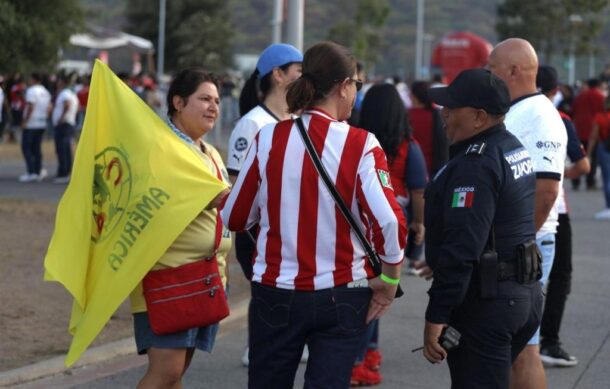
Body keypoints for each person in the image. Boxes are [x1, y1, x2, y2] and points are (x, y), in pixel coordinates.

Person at [221, 41, 406, 389]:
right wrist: (389, 281)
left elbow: (234, 217)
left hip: (276, 290)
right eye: (356, 85)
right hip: (343, 293)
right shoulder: (362, 144)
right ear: (342, 87)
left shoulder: (268, 138)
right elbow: (390, 221)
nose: (355, 94)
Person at [422, 68, 542, 389]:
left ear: (479, 117)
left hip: (489, 303)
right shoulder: (510, 145)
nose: (444, 114)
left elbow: (464, 245)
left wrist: (437, 314)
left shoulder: (475, 165)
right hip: (521, 293)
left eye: (451, 108)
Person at [128, 68, 231, 389]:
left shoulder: (208, 150)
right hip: (170, 279)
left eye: (216, 100)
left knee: (176, 375)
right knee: (165, 373)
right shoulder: (164, 148)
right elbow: (219, 197)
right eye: (203, 99)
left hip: (206, 278)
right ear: (178, 102)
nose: (213, 106)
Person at [488, 38, 567, 389]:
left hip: (527, 245)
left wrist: (520, 243)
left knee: (523, 348)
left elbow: (546, 190)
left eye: (491, 69)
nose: (488, 76)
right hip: (521, 242)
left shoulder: (540, 115)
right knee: (515, 347)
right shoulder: (520, 110)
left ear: (513, 71)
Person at [225, 43, 303, 366]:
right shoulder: (252, 123)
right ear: (279, 75)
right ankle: (256, 347)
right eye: (299, 71)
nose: (304, 77)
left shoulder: (298, 119)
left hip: (290, 227)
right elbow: (236, 184)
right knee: (266, 292)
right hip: (258, 229)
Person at [354, 83, 428, 386]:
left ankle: (365, 353)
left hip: (360, 223)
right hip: (393, 225)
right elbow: (418, 190)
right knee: (382, 288)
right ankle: (364, 356)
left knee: (366, 291)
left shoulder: (355, 142)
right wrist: (419, 224)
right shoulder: (408, 146)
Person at [537, 65, 590, 367]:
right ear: (556, 91)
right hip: (555, 210)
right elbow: (582, 167)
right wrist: (556, 175)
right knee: (559, 277)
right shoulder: (561, 120)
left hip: (511, 207)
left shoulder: (506, 115)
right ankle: (549, 341)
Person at [409, 80, 449, 176]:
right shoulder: (438, 115)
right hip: (433, 170)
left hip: (411, 169)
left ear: (414, 96)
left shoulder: (406, 115)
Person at [571, 78, 606, 190]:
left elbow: (573, 110)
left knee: (577, 156)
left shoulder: (580, 96)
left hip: (579, 129)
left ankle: (575, 180)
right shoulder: (600, 96)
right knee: (592, 157)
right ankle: (590, 181)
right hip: (593, 130)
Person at [19, 72, 52, 182]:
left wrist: (25, 120)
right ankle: (38, 171)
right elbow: (49, 107)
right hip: (41, 122)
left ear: (33, 79)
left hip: (31, 123)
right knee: (36, 148)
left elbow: (30, 106)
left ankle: (31, 171)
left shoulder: (31, 91)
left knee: (26, 147)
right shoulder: (45, 91)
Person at [51, 73, 79, 184]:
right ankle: (65, 172)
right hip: (69, 123)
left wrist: (62, 118)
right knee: (66, 149)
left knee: (61, 149)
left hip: (63, 125)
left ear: (62, 82)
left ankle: (63, 173)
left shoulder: (64, 94)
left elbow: (67, 105)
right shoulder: (72, 94)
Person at [588, 96, 610, 220]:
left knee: (607, 179)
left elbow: (594, 136)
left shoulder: (600, 117)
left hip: (605, 147)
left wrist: (589, 153)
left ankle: (609, 207)